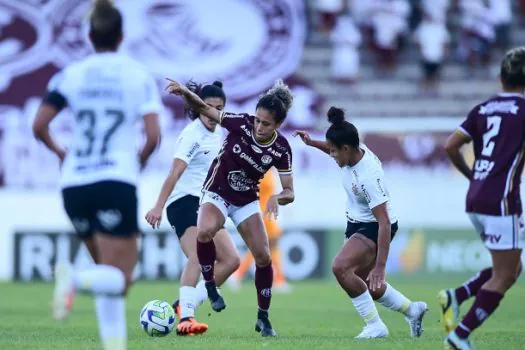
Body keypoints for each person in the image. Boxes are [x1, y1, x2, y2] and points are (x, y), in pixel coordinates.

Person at [32, 1, 162, 349]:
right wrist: (138, 162)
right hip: (114, 180)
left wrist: (62, 153)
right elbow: (152, 136)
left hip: (74, 183)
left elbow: (40, 125)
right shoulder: (137, 74)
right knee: (121, 277)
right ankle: (73, 278)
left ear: (90, 36)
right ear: (122, 35)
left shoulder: (70, 75)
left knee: (108, 274)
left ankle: (113, 344)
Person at [166, 77, 295, 337]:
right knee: (204, 232)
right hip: (217, 193)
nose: (258, 126)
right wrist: (184, 94)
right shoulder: (242, 123)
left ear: (278, 125)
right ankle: (211, 288)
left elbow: (290, 191)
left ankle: (263, 318)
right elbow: (205, 109)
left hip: (246, 200)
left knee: (264, 257)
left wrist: (277, 198)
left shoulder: (282, 149)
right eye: (257, 120)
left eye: (266, 123)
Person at [294, 107, 427, 339]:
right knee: (367, 285)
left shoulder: (368, 177)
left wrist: (381, 266)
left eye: (334, 152)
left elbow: (384, 222)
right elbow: (334, 146)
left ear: (346, 149)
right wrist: (313, 143)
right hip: (356, 222)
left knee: (340, 268)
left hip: (375, 226)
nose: (332, 155)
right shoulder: (353, 150)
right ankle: (412, 309)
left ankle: (375, 326)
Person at [439, 47, 525, 350]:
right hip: (502, 201)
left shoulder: (484, 108)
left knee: (510, 268)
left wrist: (473, 175)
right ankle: (460, 335)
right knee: (504, 276)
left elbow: (450, 146)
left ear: (501, 78)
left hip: (475, 197)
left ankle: (457, 296)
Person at [144, 81, 240, 336]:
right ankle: (186, 317)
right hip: (183, 202)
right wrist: (157, 206)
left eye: (218, 108)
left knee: (231, 260)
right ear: (198, 108)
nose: (212, 113)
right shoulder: (191, 135)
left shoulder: (220, 133)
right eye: (207, 106)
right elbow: (174, 173)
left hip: (207, 204)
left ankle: (181, 305)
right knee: (199, 256)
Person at [229, 169, 292, 293]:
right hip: (263, 210)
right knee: (268, 243)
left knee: (268, 245)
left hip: (267, 209)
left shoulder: (269, 170)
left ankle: (238, 274)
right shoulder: (260, 170)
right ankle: (278, 280)